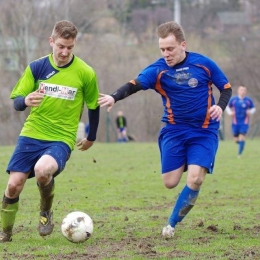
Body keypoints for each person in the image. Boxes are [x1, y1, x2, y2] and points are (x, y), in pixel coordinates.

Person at [98, 21, 232, 238]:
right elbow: (134, 85)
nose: (166, 54)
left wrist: (220, 106)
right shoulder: (158, 70)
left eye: (170, 49)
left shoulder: (204, 64)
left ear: (183, 45)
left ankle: (171, 224)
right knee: (170, 183)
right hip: (174, 131)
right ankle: (192, 160)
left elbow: (225, 88)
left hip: (203, 131)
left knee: (195, 179)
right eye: (162, 49)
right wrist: (114, 96)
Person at [0, 20, 100, 242]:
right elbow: (16, 102)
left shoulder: (85, 73)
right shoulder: (37, 67)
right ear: (51, 41)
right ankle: (5, 232)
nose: (64, 52)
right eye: (61, 46)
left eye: (70, 47)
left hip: (61, 138)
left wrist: (91, 137)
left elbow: (94, 107)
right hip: (32, 133)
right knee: (14, 184)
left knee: (42, 170)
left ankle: (45, 212)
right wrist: (25, 100)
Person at [226, 85, 255, 158]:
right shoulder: (233, 99)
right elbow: (227, 107)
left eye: (244, 90)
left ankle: (239, 154)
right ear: (238, 91)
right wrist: (230, 113)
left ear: (246, 91)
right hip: (235, 122)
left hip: (244, 122)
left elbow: (253, 108)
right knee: (236, 140)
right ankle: (242, 143)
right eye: (241, 90)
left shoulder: (248, 100)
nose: (243, 91)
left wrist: (250, 111)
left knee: (241, 136)